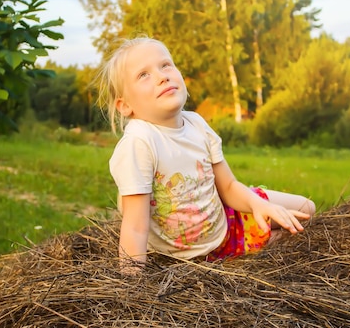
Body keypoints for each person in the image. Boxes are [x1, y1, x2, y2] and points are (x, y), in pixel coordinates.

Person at [97, 37, 315, 274]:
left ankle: (255, 214)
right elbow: (135, 227)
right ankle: (248, 252)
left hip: (226, 224)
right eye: (143, 75)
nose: (162, 76)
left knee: (306, 209)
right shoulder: (139, 143)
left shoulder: (197, 124)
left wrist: (257, 204)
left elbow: (229, 186)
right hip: (188, 256)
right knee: (286, 239)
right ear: (125, 105)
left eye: (166, 65)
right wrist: (131, 290)